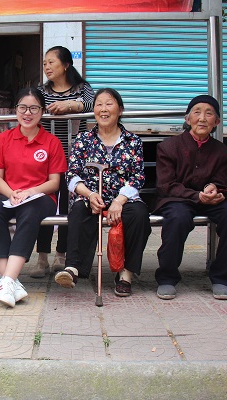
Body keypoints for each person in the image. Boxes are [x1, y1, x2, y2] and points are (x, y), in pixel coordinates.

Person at [53, 88, 151, 296]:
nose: (103, 109)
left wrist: (119, 200)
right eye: (99, 104)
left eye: (109, 104)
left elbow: (138, 176)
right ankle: (73, 268)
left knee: (139, 215)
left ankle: (126, 274)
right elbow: (72, 175)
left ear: (120, 110)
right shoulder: (83, 139)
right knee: (78, 210)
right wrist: (89, 194)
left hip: (123, 198)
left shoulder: (133, 141)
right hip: (91, 195)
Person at [154, 94, 227, 301]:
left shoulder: (222, 151)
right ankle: (167, 277)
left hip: (210, 201)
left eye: (209, 114)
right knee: (177, 218)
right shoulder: (168, 147)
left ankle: (222, 278)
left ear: (217, 122)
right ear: (188, 119)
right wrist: (196, 196)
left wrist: (214, 188)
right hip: (178, 199)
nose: (202, 118)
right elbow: (166, 186)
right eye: (197, 113)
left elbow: (222, 182)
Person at [0, 87, 67, 307]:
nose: (27, 113)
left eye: (33, 108)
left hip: (40, 198)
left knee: (30, 212)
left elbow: (54, 183)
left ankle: (7, 280)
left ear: (42, 111)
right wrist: (11, 193)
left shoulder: (51, 142)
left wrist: (30, 191)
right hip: (9, 195)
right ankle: (9, 281)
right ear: (16, 109)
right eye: (22, 108)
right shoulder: (4, 139)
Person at [31, 45, 95, 278]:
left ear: (66, 64)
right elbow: (33, 109)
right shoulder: (41, 90)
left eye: (51, 62)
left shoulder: (82, 88)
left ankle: (62, 254)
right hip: (46, 158)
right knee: (43, 203)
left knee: (69, 208)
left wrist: (72, 105)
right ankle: (42, 257)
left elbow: (95, 105)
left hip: (74, 158)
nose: (47, 67)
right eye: (44, 63)